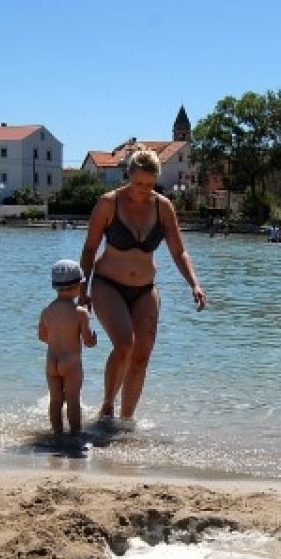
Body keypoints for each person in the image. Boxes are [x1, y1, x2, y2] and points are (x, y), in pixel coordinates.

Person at [79, 149, 205, 424]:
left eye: (149, 185)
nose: (143, 190)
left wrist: (194, 284)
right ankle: (107, 407)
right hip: (108, 285)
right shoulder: (108, 204)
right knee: (125, 344)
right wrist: (82, 292)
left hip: (145, 289)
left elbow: (178, 251)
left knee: (142, 355)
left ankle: (126, 421)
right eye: (138, 184)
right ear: (129, 176)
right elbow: (89, 250)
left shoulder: (162, 207)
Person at [38, 259, 97, 437]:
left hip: (51, 362)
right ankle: (75, 434)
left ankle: (57, 433)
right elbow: (87, 341)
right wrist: (93, 338)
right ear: (79, 285)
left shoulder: (47, 310)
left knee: (55, 400)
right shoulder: (80, 312)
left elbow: (42, 336)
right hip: (71, 363)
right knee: (72, 400)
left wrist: (57, 339)